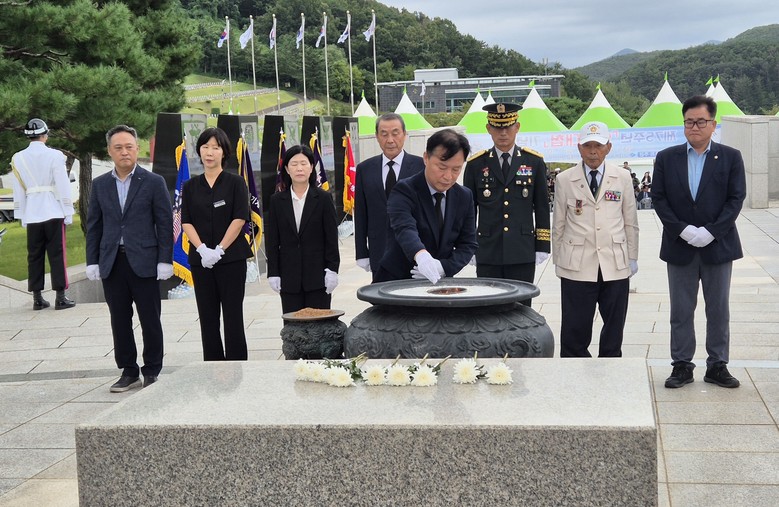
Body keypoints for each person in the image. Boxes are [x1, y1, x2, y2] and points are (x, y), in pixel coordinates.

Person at [652, 95, 746, 389]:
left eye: (701, 121)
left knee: (718, 309)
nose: (694, 127)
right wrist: (682, 230)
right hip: (679, 246)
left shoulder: (730, 157)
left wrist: (711, 231)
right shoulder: (666, 158)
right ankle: (681, 365)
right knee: (681, 310)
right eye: (689, 122)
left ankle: (717, 365)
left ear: (713, 124)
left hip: (718, 246)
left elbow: (735, 199)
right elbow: (659, 199)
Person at [85, 125, 173, 392]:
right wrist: (92, 261)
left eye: (129, 147)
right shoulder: (100, 185)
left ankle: (152, 370)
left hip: (145, 261)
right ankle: (128, 371)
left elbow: (164, 223)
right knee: (119, 319)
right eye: (118, 147)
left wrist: (165, 259)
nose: (124, 152)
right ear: (109, 151)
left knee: (150, 318)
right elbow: (94, 225)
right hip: (113, 263)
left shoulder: (153, 182)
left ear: (137, 149)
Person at [552, 121, 639, 357]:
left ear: (608, 147)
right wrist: (559, 260)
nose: (593, 152)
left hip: (614, 261)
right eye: (588, 146)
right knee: (575, 327)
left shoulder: (622, 177)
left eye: (598, 146)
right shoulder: (565, 179)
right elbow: (558, 224)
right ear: (579, 148)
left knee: (614, 326)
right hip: (577, 263)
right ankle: (575, 370)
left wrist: (632, 256)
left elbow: (630, 221)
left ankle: (610, 367)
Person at [463, 102, 551, 306]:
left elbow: (542, 206)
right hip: (487, 249)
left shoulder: (534, 162)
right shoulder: (476, 164)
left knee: (521, 307)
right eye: (497, 128)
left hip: (522, 249)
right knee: (488, 307)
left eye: (508, 127)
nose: (503, 133)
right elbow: (468, 210)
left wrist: (542, 245)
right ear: (488, 129)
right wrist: (468, 245)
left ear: (517, 127)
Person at [181, 127, 253, 361]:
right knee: (207, 316)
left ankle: (237, 364)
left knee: (233, 315)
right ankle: (212, 365)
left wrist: (220, 249)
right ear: (199, 151)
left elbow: (239, 218)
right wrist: (202, 249)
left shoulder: (236, 183)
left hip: (231, 259)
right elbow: (186, 221)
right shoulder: (190, 186)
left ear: (224, 152)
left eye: (215, 147)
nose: (209, 152)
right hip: (202, 262)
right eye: (205, 147)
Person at [373, 129, 477, 284]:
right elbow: (404, 228)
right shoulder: (404, 190)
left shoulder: (464, 196)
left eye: (456, 169)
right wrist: (421, 256)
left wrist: (444, 267)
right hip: (398, 279)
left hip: (440, 282)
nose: (448, 176)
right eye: (442, 167)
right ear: (426, 158)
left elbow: (468, 244)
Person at [10, 118, 76, 310]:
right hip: (53, 210)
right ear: (45, 135)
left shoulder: (18, 158)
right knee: (57, 254)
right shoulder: (55, 155)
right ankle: (60, 297)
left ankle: (37, 298)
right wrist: (68, 210)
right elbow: (62, 185)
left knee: (34, 256)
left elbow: (18, 189)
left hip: (32, 212)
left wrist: (21, 213)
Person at [266, 144, 340, 314]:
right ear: (287, 169)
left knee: (320, 324)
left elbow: (331, 238)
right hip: (289, 279)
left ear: (311, 167)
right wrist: (273, 272)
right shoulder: (277, 201)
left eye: (304, 163)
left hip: (318, 277)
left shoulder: (323, 198)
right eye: (294, 164)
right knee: (293, 326)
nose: (299, 168)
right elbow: (272, 240)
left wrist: (332, 269)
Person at [354, 113, 425, 276]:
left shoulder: (421, 166)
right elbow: (361, 213)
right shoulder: (365, 169)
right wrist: (361, 252)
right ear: (377, 137)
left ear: (404, 134)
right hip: (379, 250)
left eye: (395, 133)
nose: (390, 140)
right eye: (384, 134)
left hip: (414, 251)